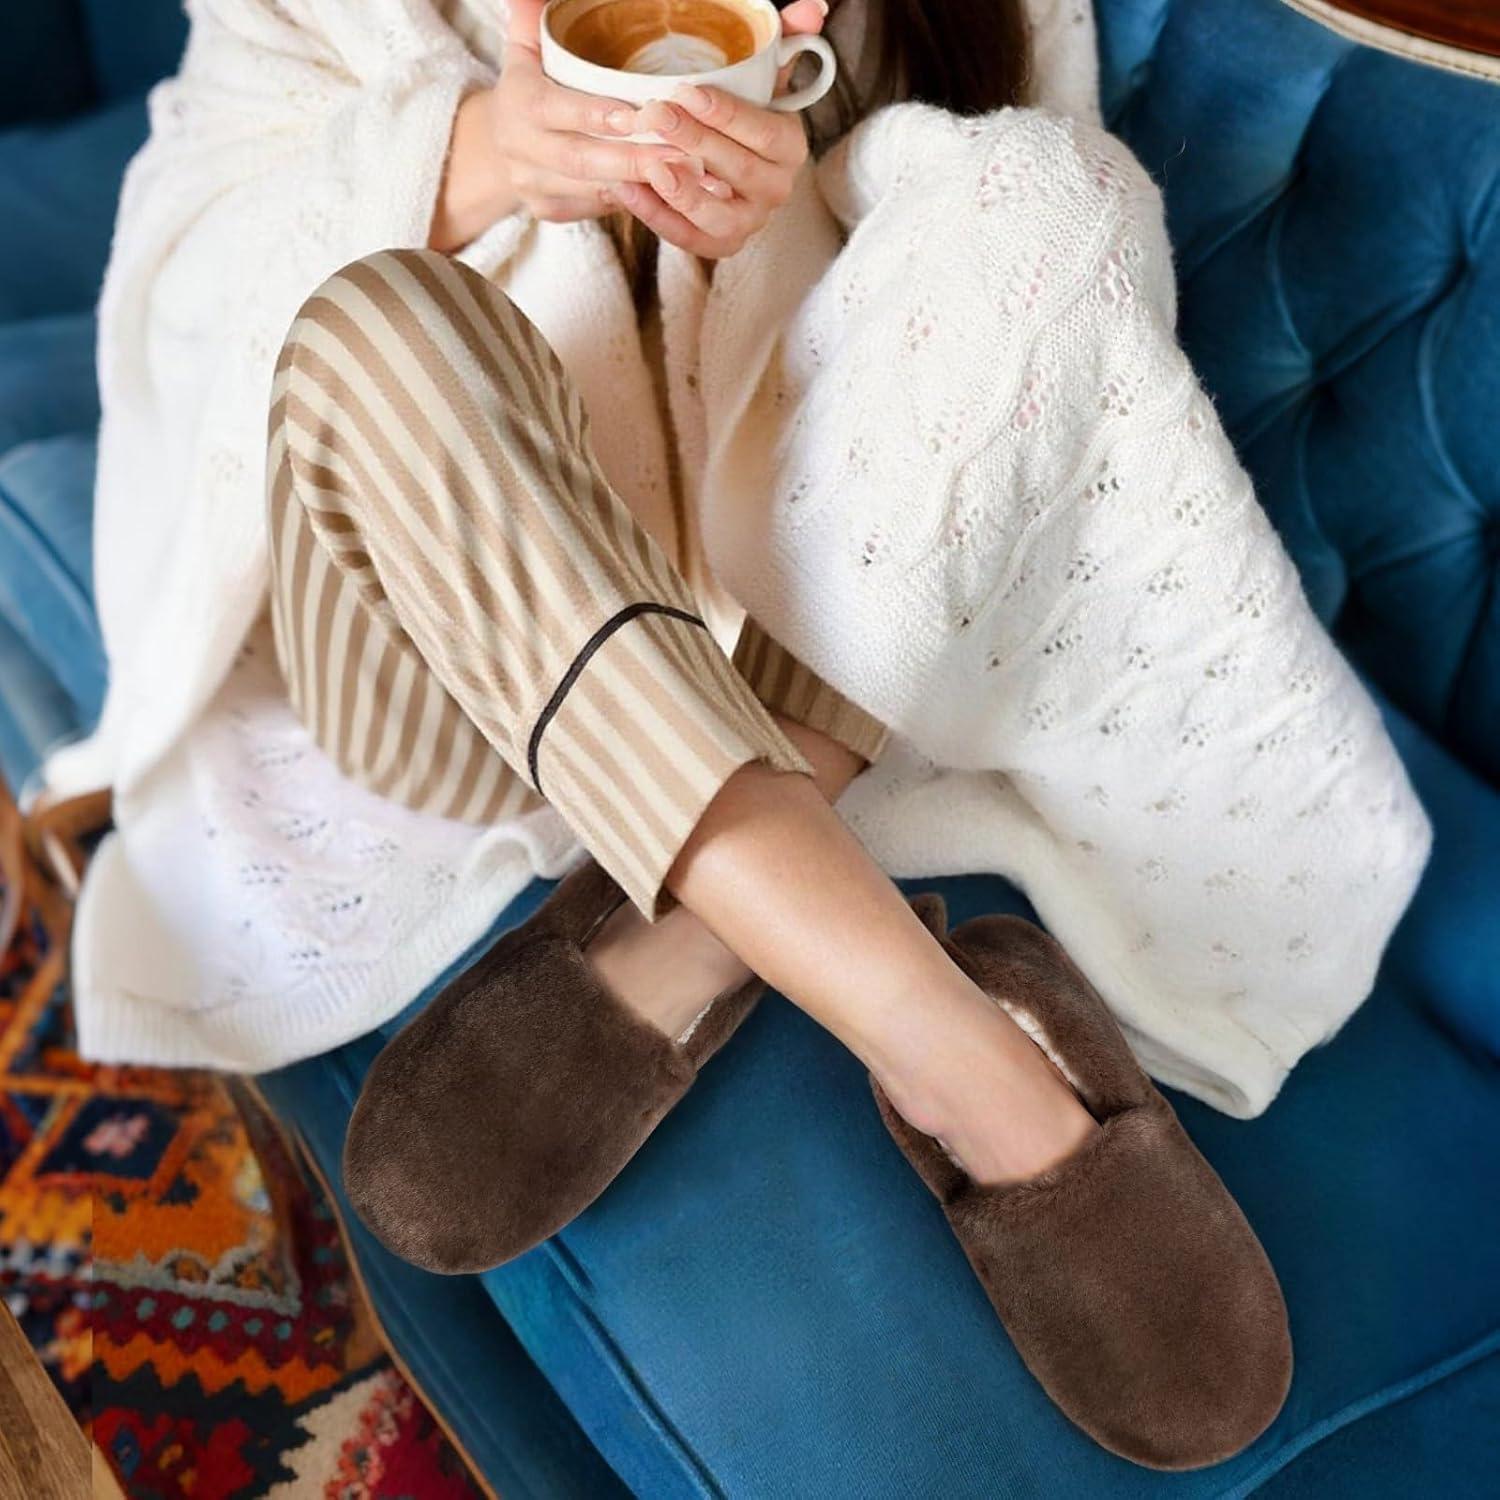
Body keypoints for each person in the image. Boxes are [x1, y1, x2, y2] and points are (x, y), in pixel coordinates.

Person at [53, 0, 1429, 1467]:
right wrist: (479, 157)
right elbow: (187, 291)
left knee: (1045, 190)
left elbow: (1033, 354)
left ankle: (693, 934)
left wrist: (792, 211)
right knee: (377, 329)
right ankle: (965, 1059)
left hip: (770, 629)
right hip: (427, 652)